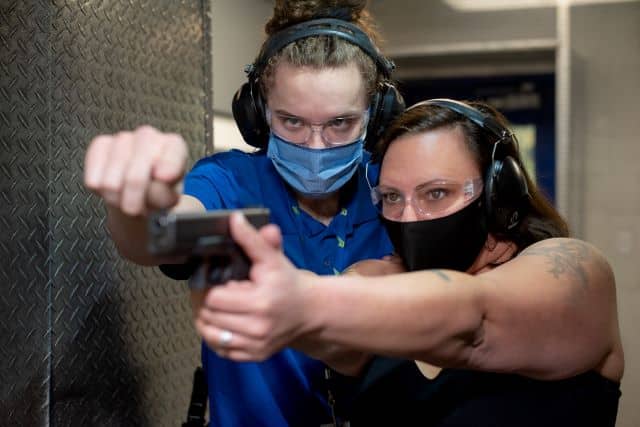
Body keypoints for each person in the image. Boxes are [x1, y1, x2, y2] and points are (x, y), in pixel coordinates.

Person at [195, 99, 624, 426]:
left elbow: (475, 320)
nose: (409, 218)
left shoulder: (574, 269)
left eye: (436, 193)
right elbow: (326, 337)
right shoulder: (374, 280)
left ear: (499, 194)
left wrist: (307, 299)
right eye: (392, 198)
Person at [83, 1, 405, 425]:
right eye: (292, 122)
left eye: (340, 124)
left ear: (375, 116)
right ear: (259, 114)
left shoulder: (398, 190)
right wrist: (136, 203)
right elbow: (156, 239)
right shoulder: (232, 184)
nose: (316, 145)